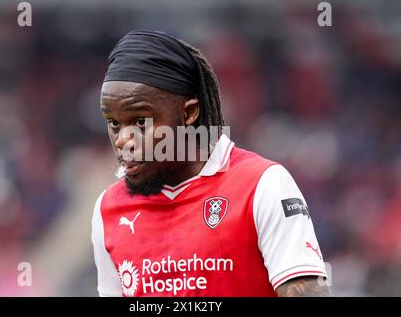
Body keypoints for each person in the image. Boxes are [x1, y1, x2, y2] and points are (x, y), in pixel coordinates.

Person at [91, 30, 331, 297]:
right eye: (113, 123)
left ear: (189, 112)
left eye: (140, 122)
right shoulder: (107, 210)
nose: (124, 140)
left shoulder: (263, 185)